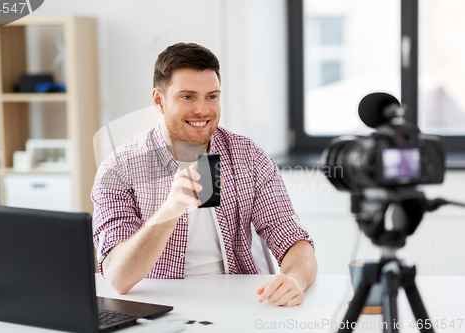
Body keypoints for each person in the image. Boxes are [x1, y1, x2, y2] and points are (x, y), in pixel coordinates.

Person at [91, 42, 317, 307]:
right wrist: (171, 209)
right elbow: (118, 277)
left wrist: (294, 279)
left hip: (242, 302)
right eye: (187, 97)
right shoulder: (119, 167)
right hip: (159, 304)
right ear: (159, 101)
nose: (202, 110)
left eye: (212, 96)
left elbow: (293, 239)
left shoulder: (248, 156)